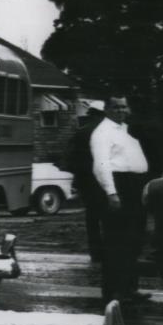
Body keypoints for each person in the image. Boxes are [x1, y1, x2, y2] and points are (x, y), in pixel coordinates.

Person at [89, 96, 150, 303]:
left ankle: (129, 289)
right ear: (106, 109)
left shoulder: (124, 130)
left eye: (124, 106)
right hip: (119, 187)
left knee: (133, 240)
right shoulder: (103, 133)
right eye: (116, 107)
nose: (121, 110)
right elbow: (101, 165)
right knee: (116, 242)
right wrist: (111, 193)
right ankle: (113, 292)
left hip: (134, 187)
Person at [64, 103, 106, 262]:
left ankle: (96, 252)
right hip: (107, 181)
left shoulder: (81, 133)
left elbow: (70, 158)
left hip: (87, 182)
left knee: (92, 218)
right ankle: (110, 250)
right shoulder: (109, 132)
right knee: (110, 217)